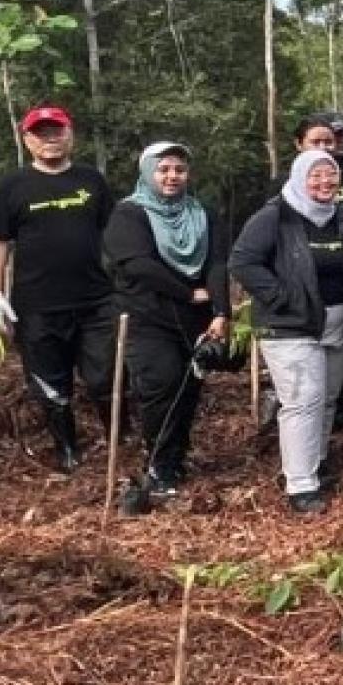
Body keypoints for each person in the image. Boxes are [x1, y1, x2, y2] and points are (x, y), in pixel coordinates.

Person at [0, 105, 116, 472]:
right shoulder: (11, 187)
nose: (50, 139)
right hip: (37, 305)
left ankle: (119, 441)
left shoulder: (92, 181)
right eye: (41, 133)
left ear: (70, 135)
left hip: (96, 301)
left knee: (103, 376)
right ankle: (67, 450)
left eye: (56, 131)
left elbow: (115, 233)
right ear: (27, 140)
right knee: (50, 384)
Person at [229, 149, 343, 513]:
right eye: (315, 176)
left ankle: (315, 462)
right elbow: (242, 261)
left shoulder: (342, 217)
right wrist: (281, 296)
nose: (324, 183)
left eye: (330, 175)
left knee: (327, 398)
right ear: (299, 178)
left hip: (337, 323)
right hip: (289, 325)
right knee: (303, 400)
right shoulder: (276, 216)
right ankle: (300, 484)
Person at [104, 141, 228, 496]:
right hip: (147, 314)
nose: (172, 177)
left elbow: (218, 263)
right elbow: (137, 264)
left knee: (190, 386)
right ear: (148, 173)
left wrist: (221, 311)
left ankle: (175, 458)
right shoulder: (129, 213)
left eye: (179, 170)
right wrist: (187, 292)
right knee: (161, 383)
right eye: (163, 169)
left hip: (197, 317)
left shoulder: (202, 212)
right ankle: (158, 462)